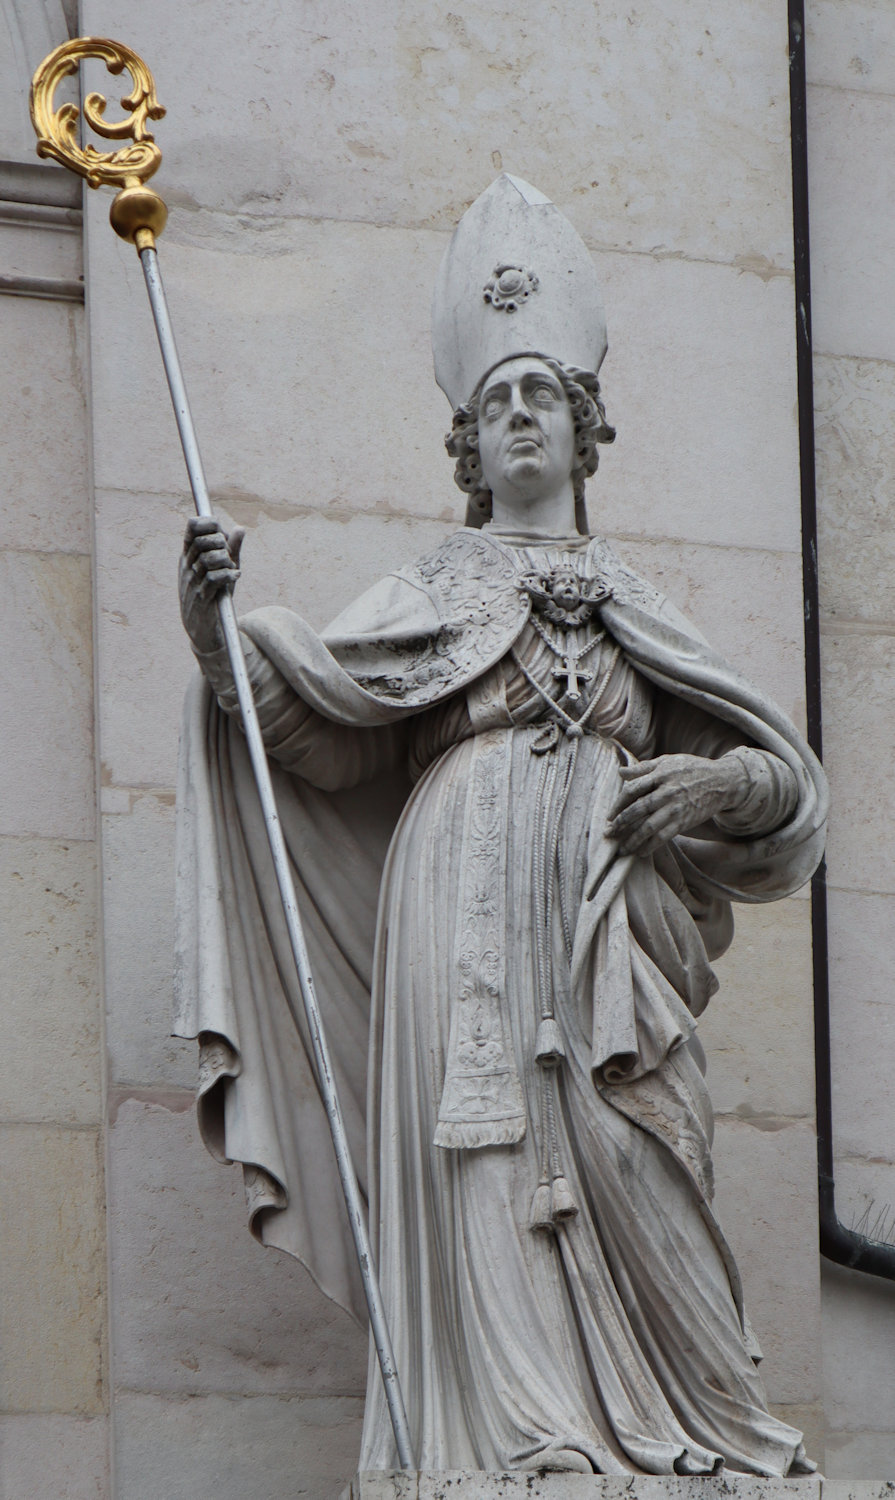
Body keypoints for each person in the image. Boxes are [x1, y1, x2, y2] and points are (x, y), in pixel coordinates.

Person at [174, 178, 827, 1476]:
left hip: (605, 923)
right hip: (458, 907)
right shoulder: (429, 591)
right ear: (470, 447)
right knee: (480, 1163)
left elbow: (782, 791)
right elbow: (316, 723)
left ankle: (700, 1426)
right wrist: (216, 635)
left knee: (650, 1149)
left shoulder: (639, 603)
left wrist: (706, 791)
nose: (521, 416)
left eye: (543, 397)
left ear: (587, 432)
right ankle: (523, 1442)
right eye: (497, 403)